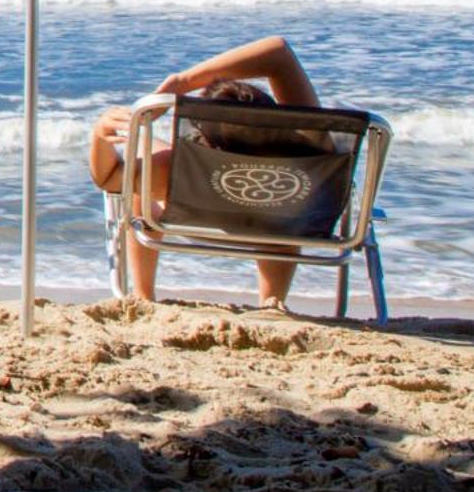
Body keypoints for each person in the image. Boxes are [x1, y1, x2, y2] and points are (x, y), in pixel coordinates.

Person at [87, 34, 320, 307]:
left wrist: (101, 134)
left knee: (143, 160)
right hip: (279, 214)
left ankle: (144, 295)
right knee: (284, 212)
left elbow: (107, 178)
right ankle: (272, 302)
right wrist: (183, 82)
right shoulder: (310, 148)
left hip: (200, 203)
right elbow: (278, 52)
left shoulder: (176, 171)